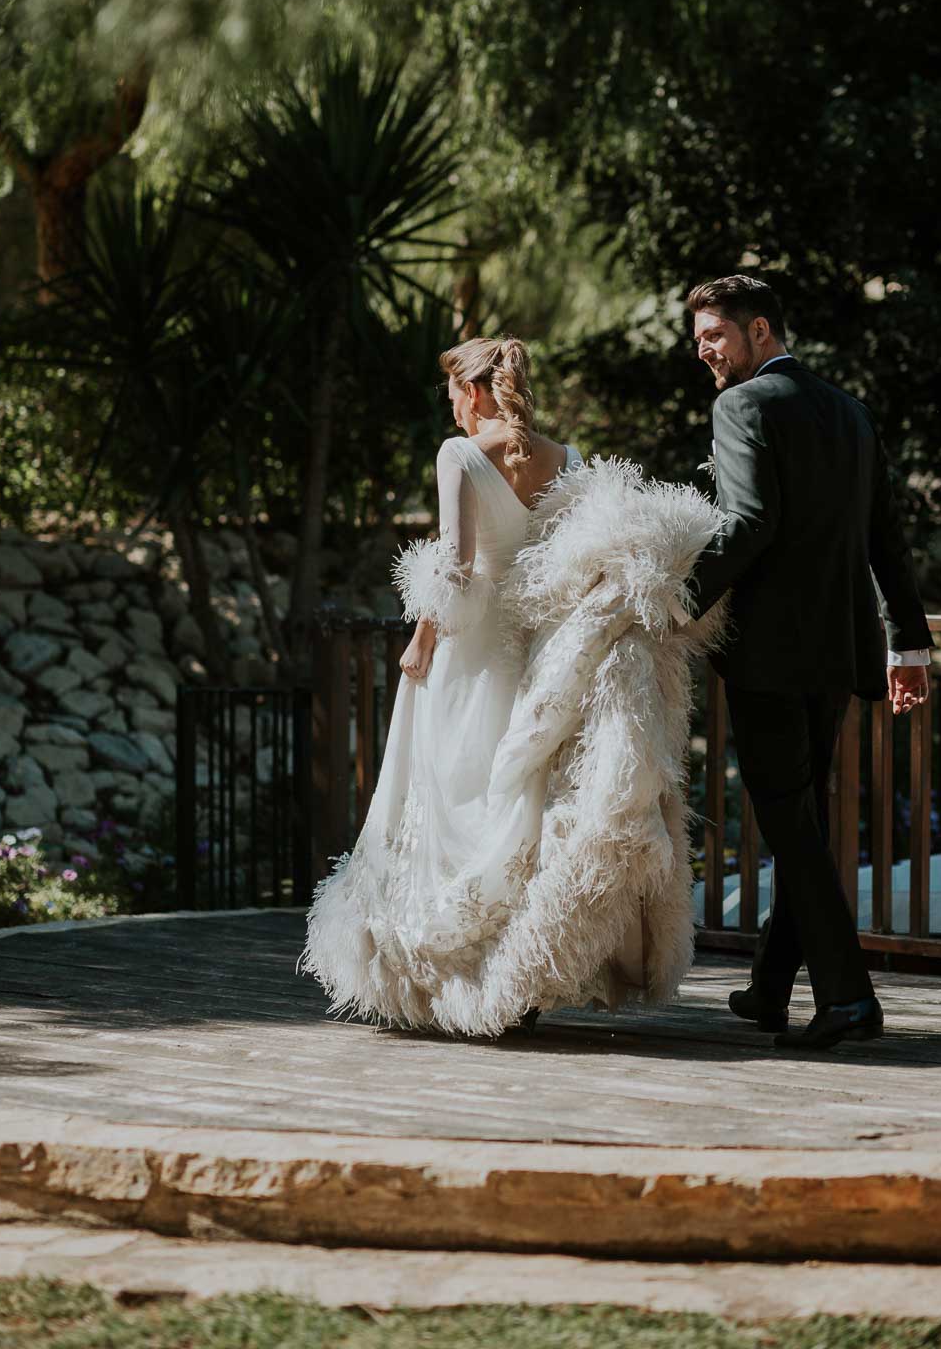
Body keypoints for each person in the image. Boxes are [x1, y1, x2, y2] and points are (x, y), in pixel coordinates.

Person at [301, 335, 728, 1035]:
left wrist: (420, 640)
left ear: (471, 392)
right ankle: (516, 974)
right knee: (524, 799)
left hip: (468, 652)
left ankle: (452, 975)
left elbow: (458, 570)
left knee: (446, 793)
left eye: (450, 392)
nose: (450, 406)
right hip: (537, 653)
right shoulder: (569, 458)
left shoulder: (460, 454)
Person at [685, 274, 933, 1052]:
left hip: (767, 652)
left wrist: (669, 602)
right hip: (838, 649)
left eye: (715, 338)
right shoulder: (849, 412)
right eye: (697, 343)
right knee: (804, 819)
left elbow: (750, 522)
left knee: (789, 824)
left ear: (761, 331)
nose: (705, 356)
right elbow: (886, 538)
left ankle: (848, 999)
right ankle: (767, 988)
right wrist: (910, 644)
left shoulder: (741, 406)